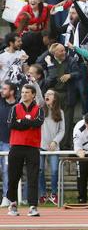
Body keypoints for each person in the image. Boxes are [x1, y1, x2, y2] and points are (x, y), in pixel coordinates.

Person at [6, 84, 44, 217]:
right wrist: (28, 122)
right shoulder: (14, 108)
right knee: (13, 177)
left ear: (33, 94)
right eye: (22, 92)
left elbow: (38, 123)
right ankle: (13, 204)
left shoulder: (39, 109)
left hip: (33, 147)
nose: (24, 94)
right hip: (16, 146)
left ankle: (32, 206)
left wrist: (21, 121)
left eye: (27, 92)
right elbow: (11, 124)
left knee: (33, 177)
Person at [42, 44, 80, 149]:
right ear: (54, 53)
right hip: (54, 95)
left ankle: (65, 146)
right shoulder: (49, 61)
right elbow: (38, 61)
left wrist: (70, 75)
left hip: (67, 95)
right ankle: (52, 145)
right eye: (61, 51)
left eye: (64, 50)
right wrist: (48, 54)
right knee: (53, 121)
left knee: (67, 123)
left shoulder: (71, 60)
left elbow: (78, 73)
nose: (64, 53)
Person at [37, 89, 64, 206]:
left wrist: (55, 141)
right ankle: (42, 194)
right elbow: (38, 94)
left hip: (54, 147)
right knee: (40, 170)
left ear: (55, 97)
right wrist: (34, 82)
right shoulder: (40, 109)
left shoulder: (60, 112)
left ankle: (54, 194)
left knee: (54, 170)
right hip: (40, 145)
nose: (47, 95)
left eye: (50, 94)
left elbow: (62, 130)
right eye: (46, 94)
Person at [0, 82, 19, 207]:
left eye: (5, 88)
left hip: (10, 143)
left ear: (12, 91)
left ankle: (7, 197)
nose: (2, 90)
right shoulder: (0, 102)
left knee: (7, 171)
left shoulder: (18, 106)